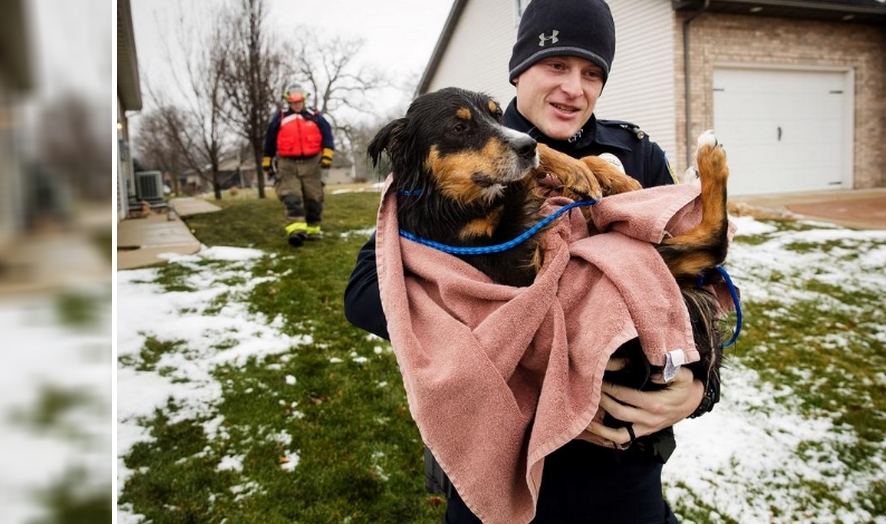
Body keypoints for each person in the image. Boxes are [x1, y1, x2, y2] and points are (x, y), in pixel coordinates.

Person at [345, 0, 719, 521]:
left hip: (620, 461)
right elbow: (365, 292)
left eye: (592, 73)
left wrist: (700, 385)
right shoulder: (452, 158)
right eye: (557, 65)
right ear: (520, 69)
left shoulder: (637, 156)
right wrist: (533, 355)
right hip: (500, 452)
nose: (574, 88)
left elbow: (704, 279)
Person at [262, 83, 335, 247]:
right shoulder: (280, 118)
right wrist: (267, 160)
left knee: (314, 198)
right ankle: (296, 231)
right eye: (294, 102)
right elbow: (270, 140)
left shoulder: (315, 116)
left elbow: (327, 135)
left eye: (299, 102)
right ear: (289, 101)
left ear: (304, 100)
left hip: (312, 163)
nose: (297, 105)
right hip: (287, 164)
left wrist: (327, 155)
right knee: (292, 197)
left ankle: (313, 228)